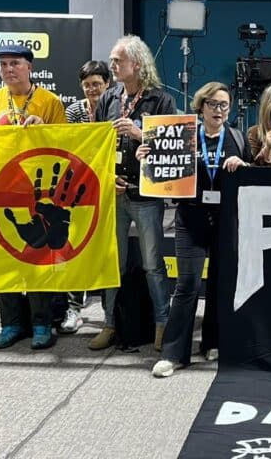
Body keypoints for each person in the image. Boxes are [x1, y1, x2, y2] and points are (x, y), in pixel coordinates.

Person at [148, 82, 251, 378]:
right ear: (201, 106)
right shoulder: (183, 136)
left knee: (220, 282)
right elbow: (160, 169)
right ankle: (173, 353)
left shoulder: (237, 137)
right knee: (187, 284)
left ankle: (213, 341)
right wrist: (148, 157)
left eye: (224, 105)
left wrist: (242, 162)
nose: (219, 110)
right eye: (213, 104)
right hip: (189, 218)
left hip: (225, 219)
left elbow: (252, 175)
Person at [0, 43, 67, 350]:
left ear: (30, 67)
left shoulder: (49, 101)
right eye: (3, 65)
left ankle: (42, 323)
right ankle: (11, 323)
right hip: (2, 189)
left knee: (36, 257)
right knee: (5, 257)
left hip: (38, 191)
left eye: (15, 63)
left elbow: (65, 145)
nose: (8, 69)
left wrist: (45, 128)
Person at [88, 36, 176, 352]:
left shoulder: (160, 100)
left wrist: (142, 133)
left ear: (136, 64)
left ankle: (161, 323)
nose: (112, 65)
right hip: (114, 193)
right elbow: (94, 147)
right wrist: (107, 176)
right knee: (113, 263)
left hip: (147, 194)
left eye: (117, 60)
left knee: (154, 263)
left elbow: (172, 147)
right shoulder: (108, 99)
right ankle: (111, 323)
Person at [55, 59, 112, 335]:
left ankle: (111, 316)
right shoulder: (74, 110)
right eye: (87, 85)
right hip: (78, 190)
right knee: (74, 245)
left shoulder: (115, 108)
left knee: (110, 250)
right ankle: (73, 307)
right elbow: (70, 146)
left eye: (97, 85)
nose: (92, 90)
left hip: (111, 187)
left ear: (108, 84)